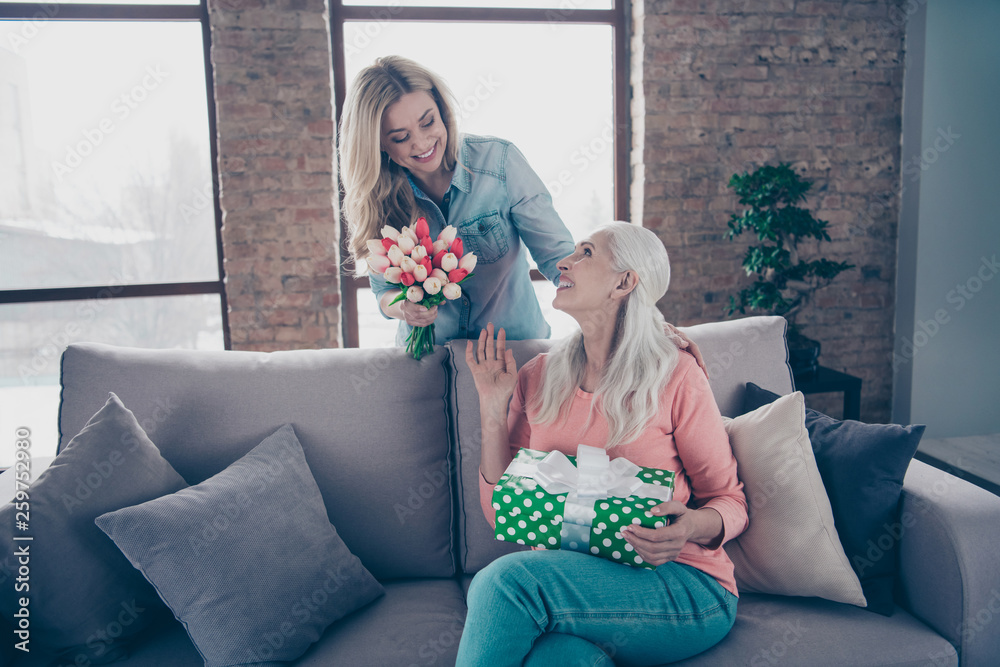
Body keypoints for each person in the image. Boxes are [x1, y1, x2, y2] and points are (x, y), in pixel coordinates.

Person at [460, 222, 747, 666]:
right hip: (585, 585)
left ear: (624, 282)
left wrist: (689, 526)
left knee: (504, 583)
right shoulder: (537, 375)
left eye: (586, 253)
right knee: (557, 659)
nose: (564, 263)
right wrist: (492, 407)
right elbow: (503, 511)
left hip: (684, 585)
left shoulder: (675, 375)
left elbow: (730, 500)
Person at [338, 55, 576, 345]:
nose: (422, 143)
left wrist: (598, 310)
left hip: (515, 354)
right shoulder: (380, 197)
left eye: (428, 122)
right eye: (401, 137)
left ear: (442, 111)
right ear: (379, 145)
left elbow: (558, 257)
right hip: (428, 361)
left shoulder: (499, 163)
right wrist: (405, 308)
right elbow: (383, 292)